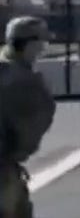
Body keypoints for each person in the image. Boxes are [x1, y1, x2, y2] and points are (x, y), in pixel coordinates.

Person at [0, 16, 56, 218]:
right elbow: (29, 131)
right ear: (29, 44)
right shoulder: (23, 82)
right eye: (41, 43)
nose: (42, 49)